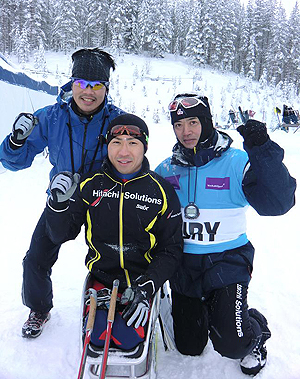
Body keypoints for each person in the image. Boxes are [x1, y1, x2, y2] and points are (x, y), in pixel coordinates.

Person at [155, 93, 296, 376]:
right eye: (179, 125)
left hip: (226, 263)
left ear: (207, 122)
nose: (187, 132)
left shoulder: (236, 161)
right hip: (184, 268)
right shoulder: (166, 169)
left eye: (193, 122)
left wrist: (262, 150)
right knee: (189, 346)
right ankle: (213, 309)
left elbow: (278, 203)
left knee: (232, 343)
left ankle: (254, 328)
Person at [0, 48, 125, 338]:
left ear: (106, 88)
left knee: (115, 257)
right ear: (72, 84)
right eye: (82, 84)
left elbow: (131, 163)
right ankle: (39, 308)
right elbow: (14, 162)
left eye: (97, 86)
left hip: (103, 201)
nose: (88, 92)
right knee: (36, 258)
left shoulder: (118, 122)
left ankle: (114, 304)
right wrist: (16, 141)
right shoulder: (50, 117)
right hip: (61, 199)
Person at [44, 113, 183, 352]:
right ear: (107, 146)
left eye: (133, 143)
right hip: (102, 281)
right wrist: (57, 206)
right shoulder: (91, 184)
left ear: (145, 146)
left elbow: (171, 249)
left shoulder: (161, 190)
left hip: (142, 281)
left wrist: (148, 286)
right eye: (116, 143)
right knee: (98, 340)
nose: (124, 152)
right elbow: (60, 234)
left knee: (127, 339)